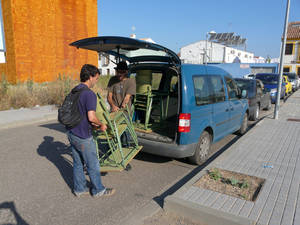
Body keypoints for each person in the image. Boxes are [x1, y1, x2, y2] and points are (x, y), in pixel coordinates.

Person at [67, 64, 115, 197]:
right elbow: (91, 117)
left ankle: (79, 189)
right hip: (83, 136)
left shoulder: (74, 90)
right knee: (92, 164)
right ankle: (98, 190)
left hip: (71, 133)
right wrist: (101, 125)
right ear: (90, 77)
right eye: (96, 78)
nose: (96, 81)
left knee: (77, 163)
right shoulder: (89, 94)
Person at [107, 61, 136, 147]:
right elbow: (109, 96)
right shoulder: (112, 80)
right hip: (113, 111)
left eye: (121, 72)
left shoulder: (131, 82)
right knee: (113, 134)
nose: (119, 74)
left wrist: (122, 108)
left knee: (125, 135)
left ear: (126, 72)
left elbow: (127, 98)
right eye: (118, 72)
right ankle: (113, 151)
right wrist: (113, 106)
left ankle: (125, 150)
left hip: (125, 112)